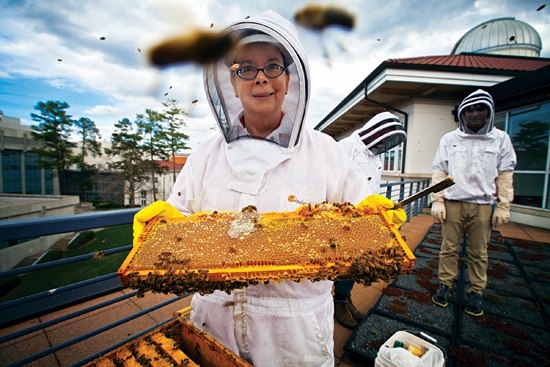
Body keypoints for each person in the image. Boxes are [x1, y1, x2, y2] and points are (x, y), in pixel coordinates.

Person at [132, 10, 405, 367]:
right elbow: (181, 219)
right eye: (245, 68)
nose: (260, 79)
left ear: (290, 79)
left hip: (294, 334)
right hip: (214, 322)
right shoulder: (205, 154)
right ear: (231, 83)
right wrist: (165, 228)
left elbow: (359, 219)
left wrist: (375, 222)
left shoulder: (326, 153)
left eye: (273, 66)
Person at [430, 89, 516, 317]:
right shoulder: (449, 139)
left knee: (479, 252)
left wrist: (504, 205)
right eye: (469, 109)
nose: (475, 113)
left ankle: (476, 291)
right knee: (448, 248)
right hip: (453, 203)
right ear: (462, 113)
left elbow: (505, 174)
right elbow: (440, 171)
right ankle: (445, 285)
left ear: (489, 112)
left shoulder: (501, 139)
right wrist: (437, 200)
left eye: (480, 109)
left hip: (483, 206)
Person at [334, 112, 407, 328]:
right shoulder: (344, 147)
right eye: (384, 136)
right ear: (376, 128)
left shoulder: (375, 156)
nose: (384, 143)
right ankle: (338, 303)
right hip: (344, 218)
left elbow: (373, 187)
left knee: (358, 265)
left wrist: (382, 210)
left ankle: (345, 300)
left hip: (366, 220)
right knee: (343, 265)